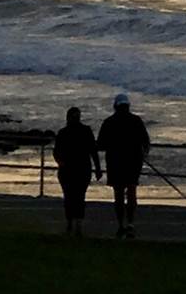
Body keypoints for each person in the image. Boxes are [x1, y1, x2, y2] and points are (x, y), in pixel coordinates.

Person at [96, 94, 151, 238]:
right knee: (131, 191)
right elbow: (146, 142)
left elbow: (100, 144)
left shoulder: (109, 122)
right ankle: (131, 224)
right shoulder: (136, 120)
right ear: (128, 106)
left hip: (115, 162)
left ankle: (121, 225)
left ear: (115, 106)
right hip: (133, 161)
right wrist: (143, 154)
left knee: (119, 194)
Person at [49, 106, 100, 237]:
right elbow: (93, 151)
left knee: (69, 197)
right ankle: (77, 223)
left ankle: (71, 223)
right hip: (82, 169)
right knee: (79, 196)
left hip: (69, 169)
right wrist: (97, 169)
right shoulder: (85, 131)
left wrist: (60, 161)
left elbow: (56, 152)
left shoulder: (63, 132)